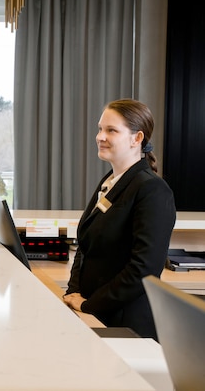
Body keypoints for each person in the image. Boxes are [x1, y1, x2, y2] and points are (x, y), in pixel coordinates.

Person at [63, 99, 176, 339]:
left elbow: (143, 270)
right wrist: (74, 292)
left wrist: (88, 304)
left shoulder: (153, 190)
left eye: (111, 130)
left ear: (137, 138)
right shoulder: (111, 181)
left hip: (124, 324)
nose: (100, 136)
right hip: (93, 313)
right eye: (100, 128)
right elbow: (86, 244)